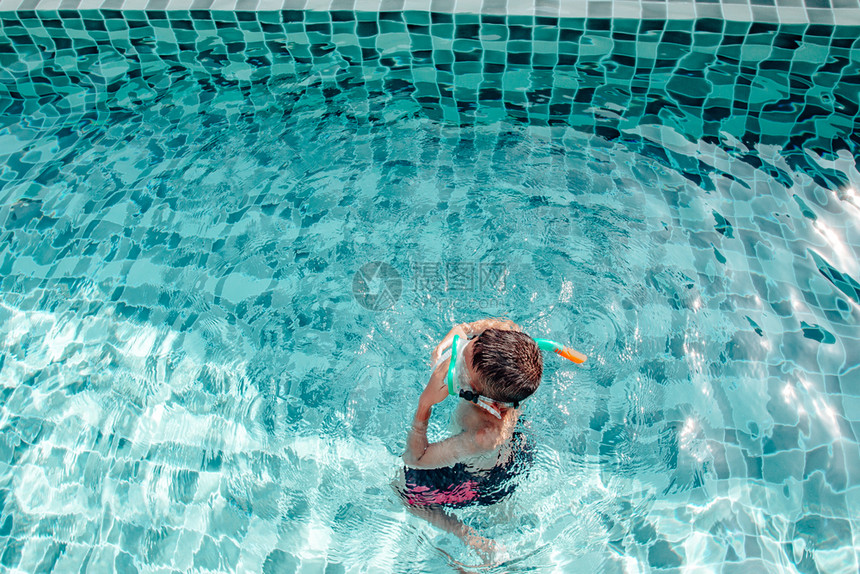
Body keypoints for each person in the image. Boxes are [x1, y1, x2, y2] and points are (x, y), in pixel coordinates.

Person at [396, 318, 543, 558]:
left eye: (461, 367)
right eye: (470, 344)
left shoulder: (482, 433)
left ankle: (469, 538)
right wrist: (460, 330)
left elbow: (415, 459)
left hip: (481, 480)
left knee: (404, 489)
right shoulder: (513, 350)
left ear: (481, 394)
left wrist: (426, 403)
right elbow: (509, 325)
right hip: (520, 446)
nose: (460, 352)